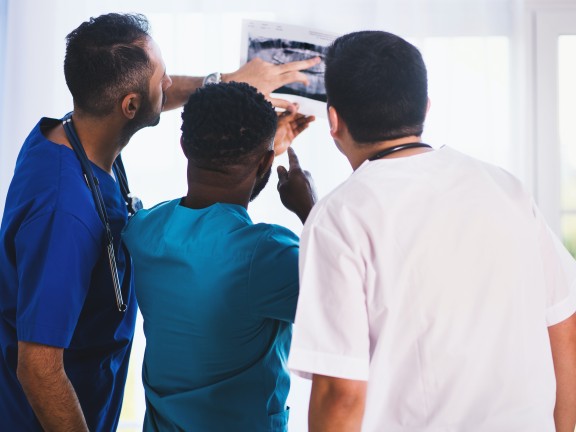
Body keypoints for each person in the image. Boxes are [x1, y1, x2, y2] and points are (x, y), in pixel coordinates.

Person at [0, 12, 318, 431]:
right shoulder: (65, 213)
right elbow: (39, 369)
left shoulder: (72, 138)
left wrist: (230, 93)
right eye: (162, 79)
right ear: (130, 106)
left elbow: (208, 202)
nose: (170, 87)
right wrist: (305, 205)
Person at [288, 30, 576, 432]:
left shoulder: (338, 217)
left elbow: (341, 393)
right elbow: (564, 328)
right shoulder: (506, 188)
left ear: (332, 120)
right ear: (425, 107)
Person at [122, 81, 316, 431]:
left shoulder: (142, 231)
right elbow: (349, 303)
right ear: (265, 164)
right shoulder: (267, 255)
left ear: (184, 146)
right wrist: (311, 212)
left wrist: (262, 153)